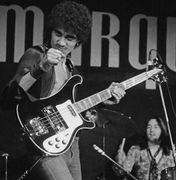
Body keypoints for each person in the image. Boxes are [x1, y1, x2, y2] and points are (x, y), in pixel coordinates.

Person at [0, 1, 125, 180]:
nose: (61, 42)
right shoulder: (36, 54)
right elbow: (8, 98)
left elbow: (68, 111)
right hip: (43, 141)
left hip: (69, 143)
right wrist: (41, 67)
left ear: (78, 42)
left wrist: (103, 100)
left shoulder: (71, 69)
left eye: (69, 38)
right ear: (50, 31)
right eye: (57, 34)